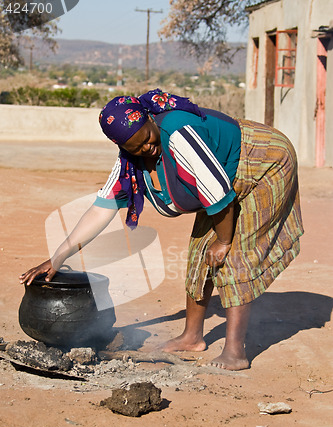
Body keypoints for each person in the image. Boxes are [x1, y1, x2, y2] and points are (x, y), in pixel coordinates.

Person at [20, 88, 304, 370]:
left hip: (264, 160)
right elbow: (100, 210)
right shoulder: (128, 164)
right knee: (200, 255)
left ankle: (235, 351)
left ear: (150, 119)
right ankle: (192, 337)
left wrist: (225, 241)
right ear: (122, 147)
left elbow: (219, 196)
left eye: (147, 136)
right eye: (136, 146)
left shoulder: (179, 135)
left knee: (234, 256)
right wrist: (59, 257)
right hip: (225, 179)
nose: (147, 147)